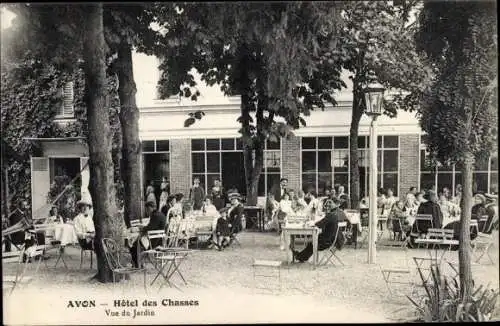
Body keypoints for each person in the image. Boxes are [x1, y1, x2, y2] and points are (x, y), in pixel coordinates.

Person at [292, 198, 346, 263]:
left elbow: (320, 224)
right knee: (312, 242)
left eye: (330, 203)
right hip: (334, 239)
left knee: (313, 243)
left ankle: (300, 257)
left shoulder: (332, 215)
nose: (328, 205)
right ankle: (301, 257)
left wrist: (312, 224)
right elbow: (323, 223)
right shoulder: (334, 213)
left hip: (328, 241)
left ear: (336, 205)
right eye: (328, 203)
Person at [130, 201, 166, 268]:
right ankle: (138, 263)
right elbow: (152, 227)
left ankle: (137, 264)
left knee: (134, 245)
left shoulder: (155, 215)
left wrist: (142, 228)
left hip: (154, 241)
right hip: (159, 239)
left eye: (148, 209)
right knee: (136, 243)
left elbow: (149, 228)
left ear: (152, 208)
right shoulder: (160, 214)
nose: (147, 211)